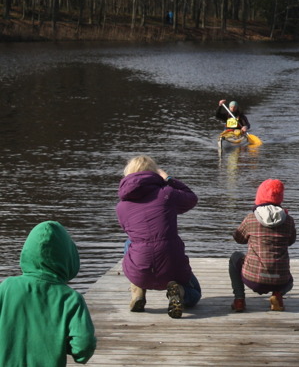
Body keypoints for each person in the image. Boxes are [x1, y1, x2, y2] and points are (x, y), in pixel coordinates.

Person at [115, 155, 201, 319]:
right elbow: (191, 198)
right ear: (154, 173)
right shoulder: (167, 194)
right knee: (195, 293)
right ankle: (180, 292)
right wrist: (168, 178)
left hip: (141, 270)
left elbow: (127, 228)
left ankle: (138, 291)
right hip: (172, 266)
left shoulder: (121, 206)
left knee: (131, 242)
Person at [0, 221, 96, 366]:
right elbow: (83, 344)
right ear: (68, 256)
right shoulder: (71, 299)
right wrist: (63, 344)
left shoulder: (7, 287)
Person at [228, 179, 296, 313]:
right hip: (281, 280)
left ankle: (239, 300)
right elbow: (291, 241)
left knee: (235, 257)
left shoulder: (251, 218)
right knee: (289, 280)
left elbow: (238, 238)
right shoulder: (288, 221)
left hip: (254, 279)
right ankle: (277, 295)